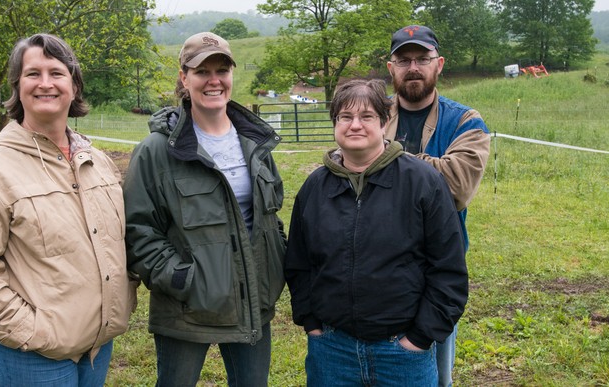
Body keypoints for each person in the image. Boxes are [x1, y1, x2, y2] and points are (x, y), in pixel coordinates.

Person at [0, 33, 138, 386]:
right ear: (17, 87)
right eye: (33, 74)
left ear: (75, 85)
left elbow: (118, 242)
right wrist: (33, 332)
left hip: (96, 347)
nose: (45, 83)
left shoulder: (96, 161)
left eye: (57, 73)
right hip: (30, 355)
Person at [123, 32, 286, 387]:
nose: (214, 80)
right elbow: (138, 231)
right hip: (186, 310)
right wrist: (182, 278)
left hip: (252, 304)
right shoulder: (156, 151)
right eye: (202, 71)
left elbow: (270, 217)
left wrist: (274, 263)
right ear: (184, 78)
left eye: (222, 70)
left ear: (231, 75)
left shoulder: (255, 145)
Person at [284, 79, 468, 386]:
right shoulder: (315, 188)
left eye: (366, 116)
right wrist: (312, 323)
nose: (355, 125)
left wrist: (420, 338)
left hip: (402, 354)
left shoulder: (422, 182)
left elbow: (448, 269)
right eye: (345, 117)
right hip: (332, 350)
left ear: (384, 122)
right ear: (335, 124)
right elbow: (298, 263)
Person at [385, 25, 491, 387]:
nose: (413, 67)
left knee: (437, 374)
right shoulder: (372, 114)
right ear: (391, 68)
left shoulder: (465, 121)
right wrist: (431, 166)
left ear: (439, 64)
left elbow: (457, 187)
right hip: (378, 266)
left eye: (422, 59)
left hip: (437, 269)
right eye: (404, 59)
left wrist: (384, 158)